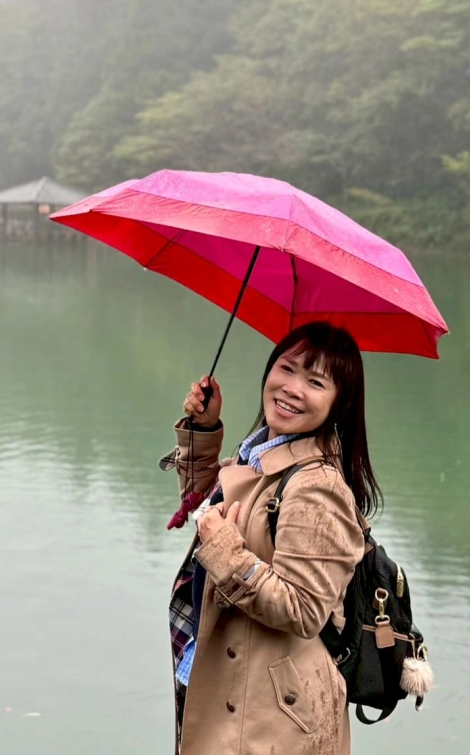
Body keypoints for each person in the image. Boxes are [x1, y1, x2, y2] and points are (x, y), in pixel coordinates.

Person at [164, 321, 379, 755]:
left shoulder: (318, 487)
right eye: (287, 368)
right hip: (230, 682)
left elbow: (304, 609)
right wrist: (203, 429)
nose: (293, 388)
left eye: (315, 381)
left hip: (270, 718)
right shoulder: (264, 453)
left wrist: (225, 551)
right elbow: (206, 504)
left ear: (340, 403)